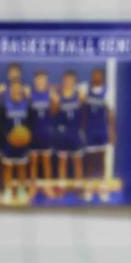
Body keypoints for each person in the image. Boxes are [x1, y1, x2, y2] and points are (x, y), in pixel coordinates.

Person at [82, 67, 115, 202]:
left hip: (102, 130)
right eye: (94, 74)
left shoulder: (108, 92)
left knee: (101, 159)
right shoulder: (85, 89)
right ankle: (89, 186)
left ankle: (102, 186)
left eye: (99, 75)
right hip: (89, 131)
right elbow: (81, 110)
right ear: (91, 76)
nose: (96, 77)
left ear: (102, 77)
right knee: (89, 159)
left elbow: (111, 114)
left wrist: (112, 132)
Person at [0, 78, 33, 205]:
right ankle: (8, 190)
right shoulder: (5, 105)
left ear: (22, 90)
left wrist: (27, 135)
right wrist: (7, 135)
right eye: (13, 88)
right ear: (9, 90)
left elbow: (31, 122)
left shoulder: (27, 104)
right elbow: (0, 123)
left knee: (21, 167)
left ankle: (21, 190)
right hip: (9, 141)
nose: (16, 90)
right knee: (8, 167)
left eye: (19, 88)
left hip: (22, 141)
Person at [53, 70, 85, 198]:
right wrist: (55, 102)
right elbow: (54, 112)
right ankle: (61, 186)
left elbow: (83, 112)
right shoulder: (58, 95)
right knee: (62, 161)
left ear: (74, 81)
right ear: (63, 81)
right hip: (63, 133)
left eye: (71, 80)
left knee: (77, 161)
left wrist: (82, 99)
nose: (68, 82)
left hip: (75, 132)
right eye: (66, 80)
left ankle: (78, 186)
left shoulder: (79, 95)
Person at [28, 70, 55, 199]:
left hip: (46, 133)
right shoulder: (29, 94)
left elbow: (55, 112)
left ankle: (47, 186)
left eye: (43, 80)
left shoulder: (50, 94)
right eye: (38, 80)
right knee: (33, 162)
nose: (40, 82)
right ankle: (33, 186)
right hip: (33, 133)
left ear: (46, 81)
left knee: (46, 162)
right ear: (34, 81)